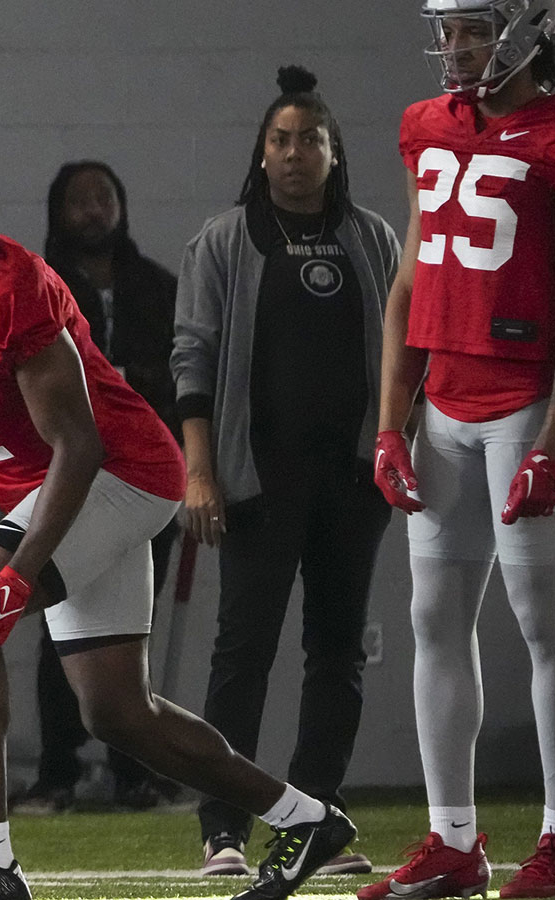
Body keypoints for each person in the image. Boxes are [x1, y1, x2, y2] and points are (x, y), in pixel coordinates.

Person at [0, 111, 358, 900]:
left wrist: (18, 572)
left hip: (117, 472)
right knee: (118, 714)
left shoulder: (10, 282)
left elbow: (79, 446)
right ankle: (307, 820)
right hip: (54, 489)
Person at [171, 66, 398, 881]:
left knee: (337, 651)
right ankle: (222, 827)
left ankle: (316, 821)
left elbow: (403, 357)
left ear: (335, 155)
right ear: (261, 154)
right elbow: (191, 356)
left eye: (311, 140)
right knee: (243, 654)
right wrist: (200, 470)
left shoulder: (372, 238)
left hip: (352, 482)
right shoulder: (225, 240)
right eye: (281, 140)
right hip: (255, 481)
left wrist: (395, 446)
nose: (296, 153)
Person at [366, 2, 555, 897]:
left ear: (527, 27)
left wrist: (554, 439)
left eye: (474, 27)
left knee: (543, 625)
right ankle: (455, 843)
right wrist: (389, 419)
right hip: (444, 402)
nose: (455, 46)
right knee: (433, 622)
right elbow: (412, 275)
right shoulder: (425, 126)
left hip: (527, 397)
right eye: (447, 28)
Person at [18, 159, 183, 815]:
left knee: (127, 632)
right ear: (58, 211)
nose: (93, 209)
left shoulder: (159, 288)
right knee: (58, 624)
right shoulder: (37, 288)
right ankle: (57, 772)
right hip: (66, 479)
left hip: (144, 480)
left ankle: (134, 773)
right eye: (80, 200)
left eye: (104, 197)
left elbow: (185, 374)